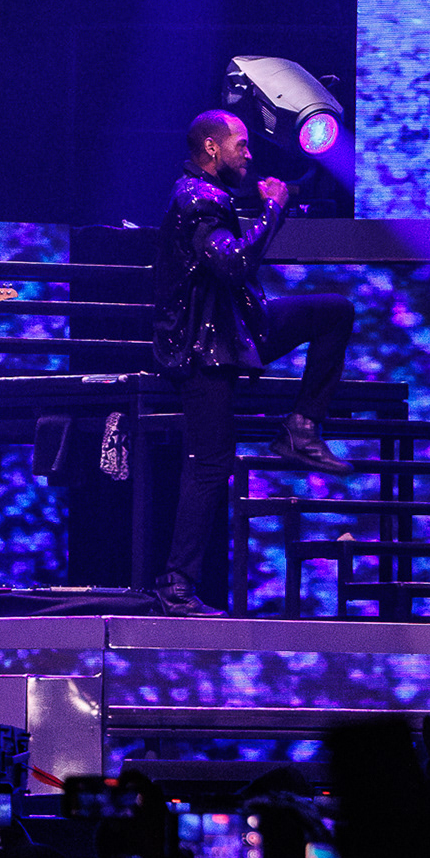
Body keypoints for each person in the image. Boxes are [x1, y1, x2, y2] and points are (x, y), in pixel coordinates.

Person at [153, 110, 354, 617]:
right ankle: (176, 585)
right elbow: (234, 263)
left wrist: (277, 203)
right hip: (207, 346)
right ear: (211, 148)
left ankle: (300, 428)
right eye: (240, 144)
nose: (248, 153)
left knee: (333, 311)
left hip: (237, 330)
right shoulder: (196, 199)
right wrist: (272, 211)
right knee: (211, 464)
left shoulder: (209, 195)